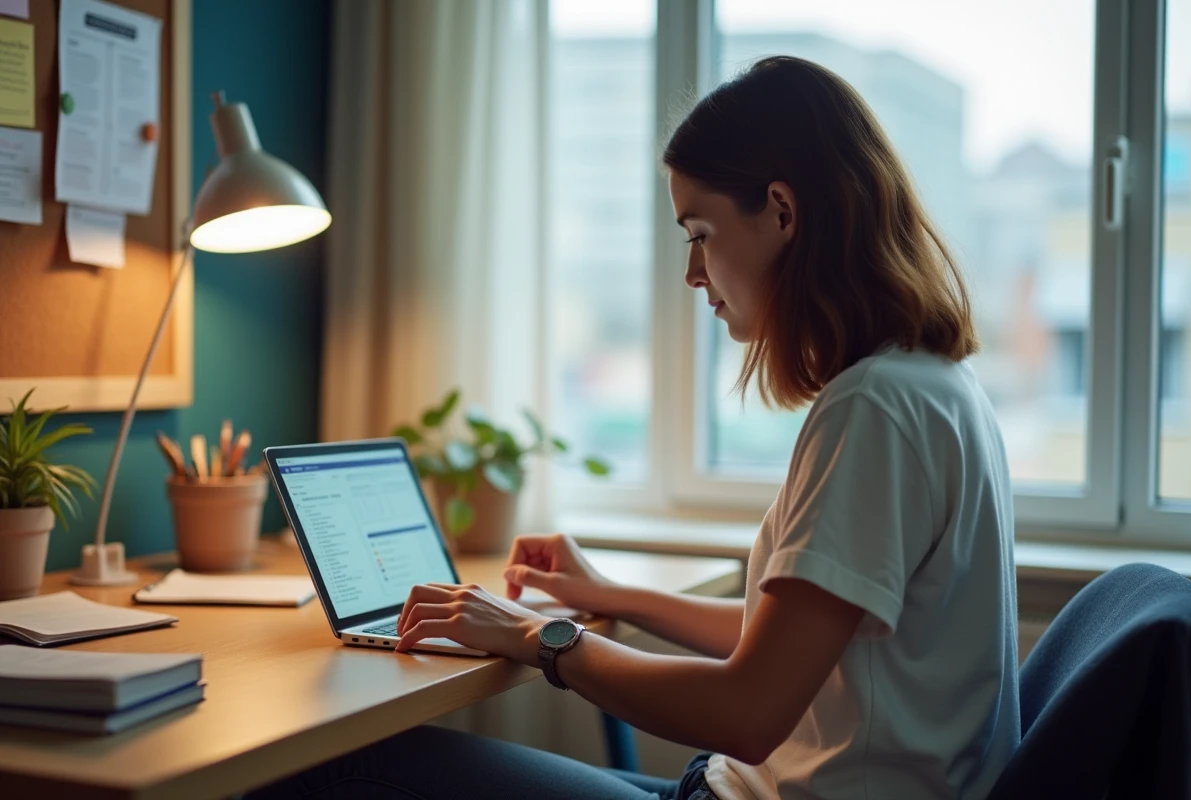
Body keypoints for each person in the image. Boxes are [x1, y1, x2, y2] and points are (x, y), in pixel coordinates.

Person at [251, 55, 1019, 800]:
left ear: (782, 212)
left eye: (699, 234)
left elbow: (747, 712)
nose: (692, 274)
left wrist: (536, 637)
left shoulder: (874, 409)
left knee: (319, 770)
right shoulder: (932, 382)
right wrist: (613, 594)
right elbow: (780, 645)